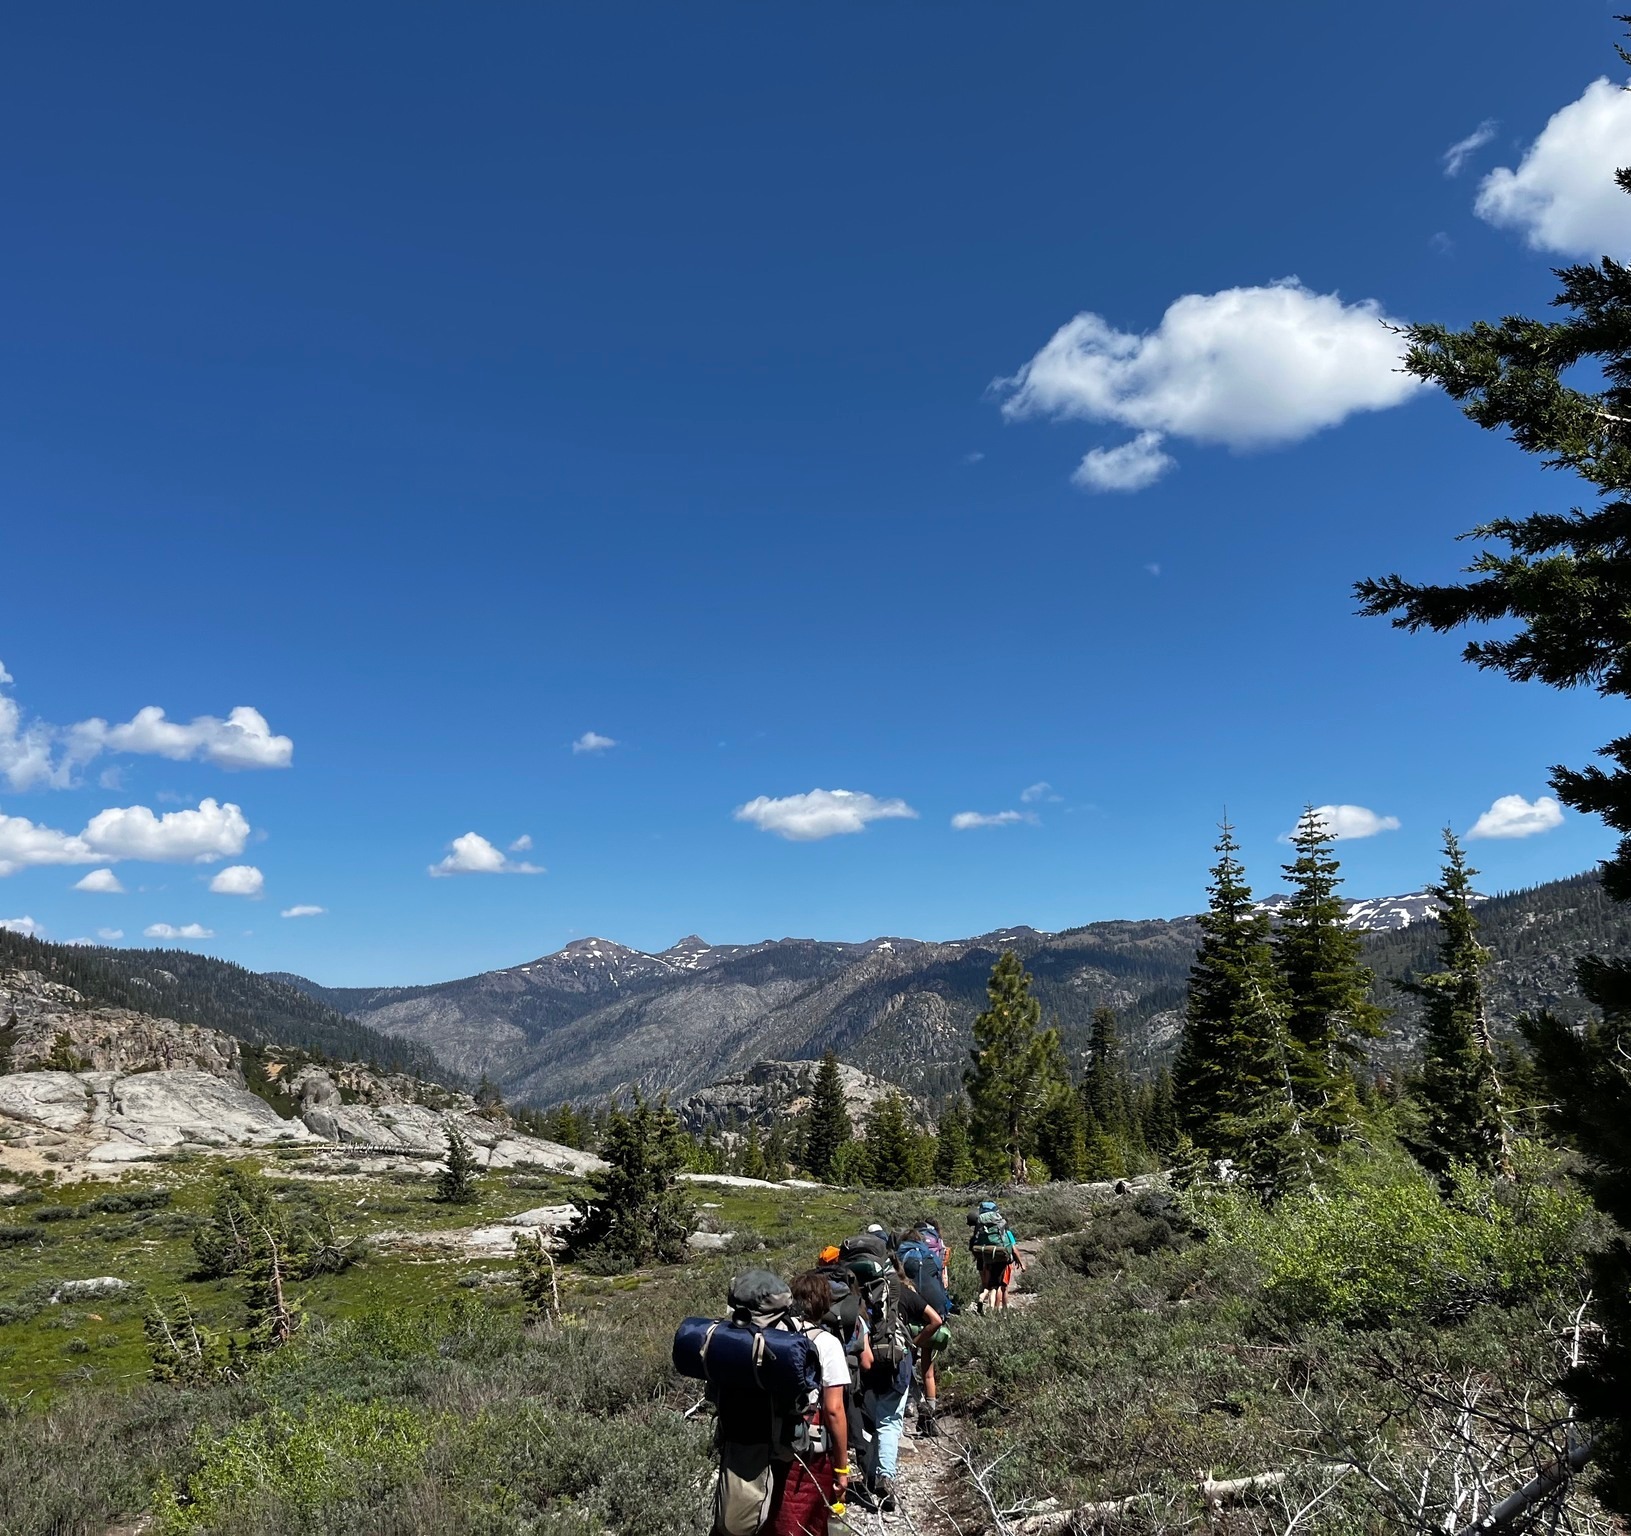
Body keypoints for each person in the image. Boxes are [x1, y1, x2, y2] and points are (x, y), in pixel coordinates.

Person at [765, 1272, 852, 1536]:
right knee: (804, 1523)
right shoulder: (827, 1343)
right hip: (805, 1451)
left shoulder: (769, 1334)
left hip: (764, 1443)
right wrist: (842, 1468)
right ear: (824, 1305)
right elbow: (834, 1410)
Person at [858, 1253, 944, 1510]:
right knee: (890, 1422)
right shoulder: (904, 1294)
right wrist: (912, 1345)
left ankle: (870, 1478)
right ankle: (886, 1475)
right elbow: (936, 1320)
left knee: (874, 1422)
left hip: (870, 1365)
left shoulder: (861, 1297)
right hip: (898, 1362)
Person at [968, 1199, 1023, 1314]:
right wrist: (1020, 1262)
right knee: (998, 1286)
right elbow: (1013, 1247)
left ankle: (982, 1299)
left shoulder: (980, 1226)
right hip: (999, 1256)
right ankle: (995, 1309)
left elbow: (973, 1243)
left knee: (985, 1284)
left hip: (983, 1256)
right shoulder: (1003, 1229)